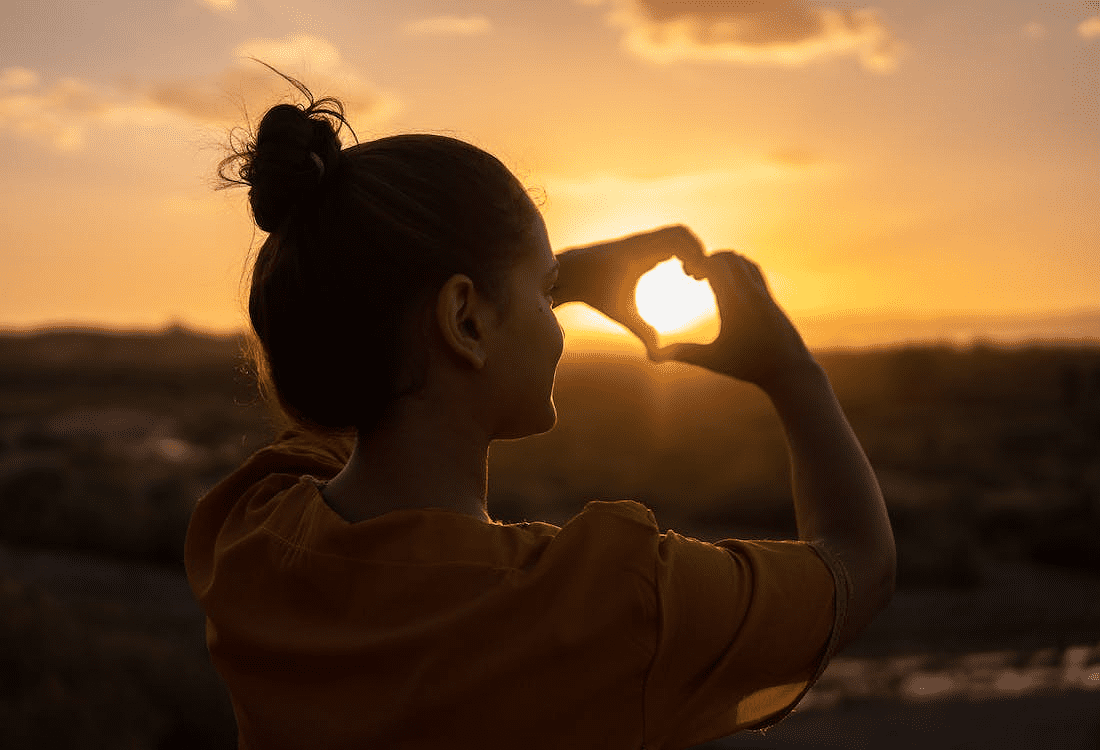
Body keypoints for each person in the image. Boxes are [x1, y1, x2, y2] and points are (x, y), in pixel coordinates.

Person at [184, 76, 895, 750]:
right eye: (544, 290)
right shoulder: (609, 602)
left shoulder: (250, 534)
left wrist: (537, 280)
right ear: (464, 319)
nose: (555, 321)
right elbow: (858, 564)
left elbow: (359, 366)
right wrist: (792, 373)